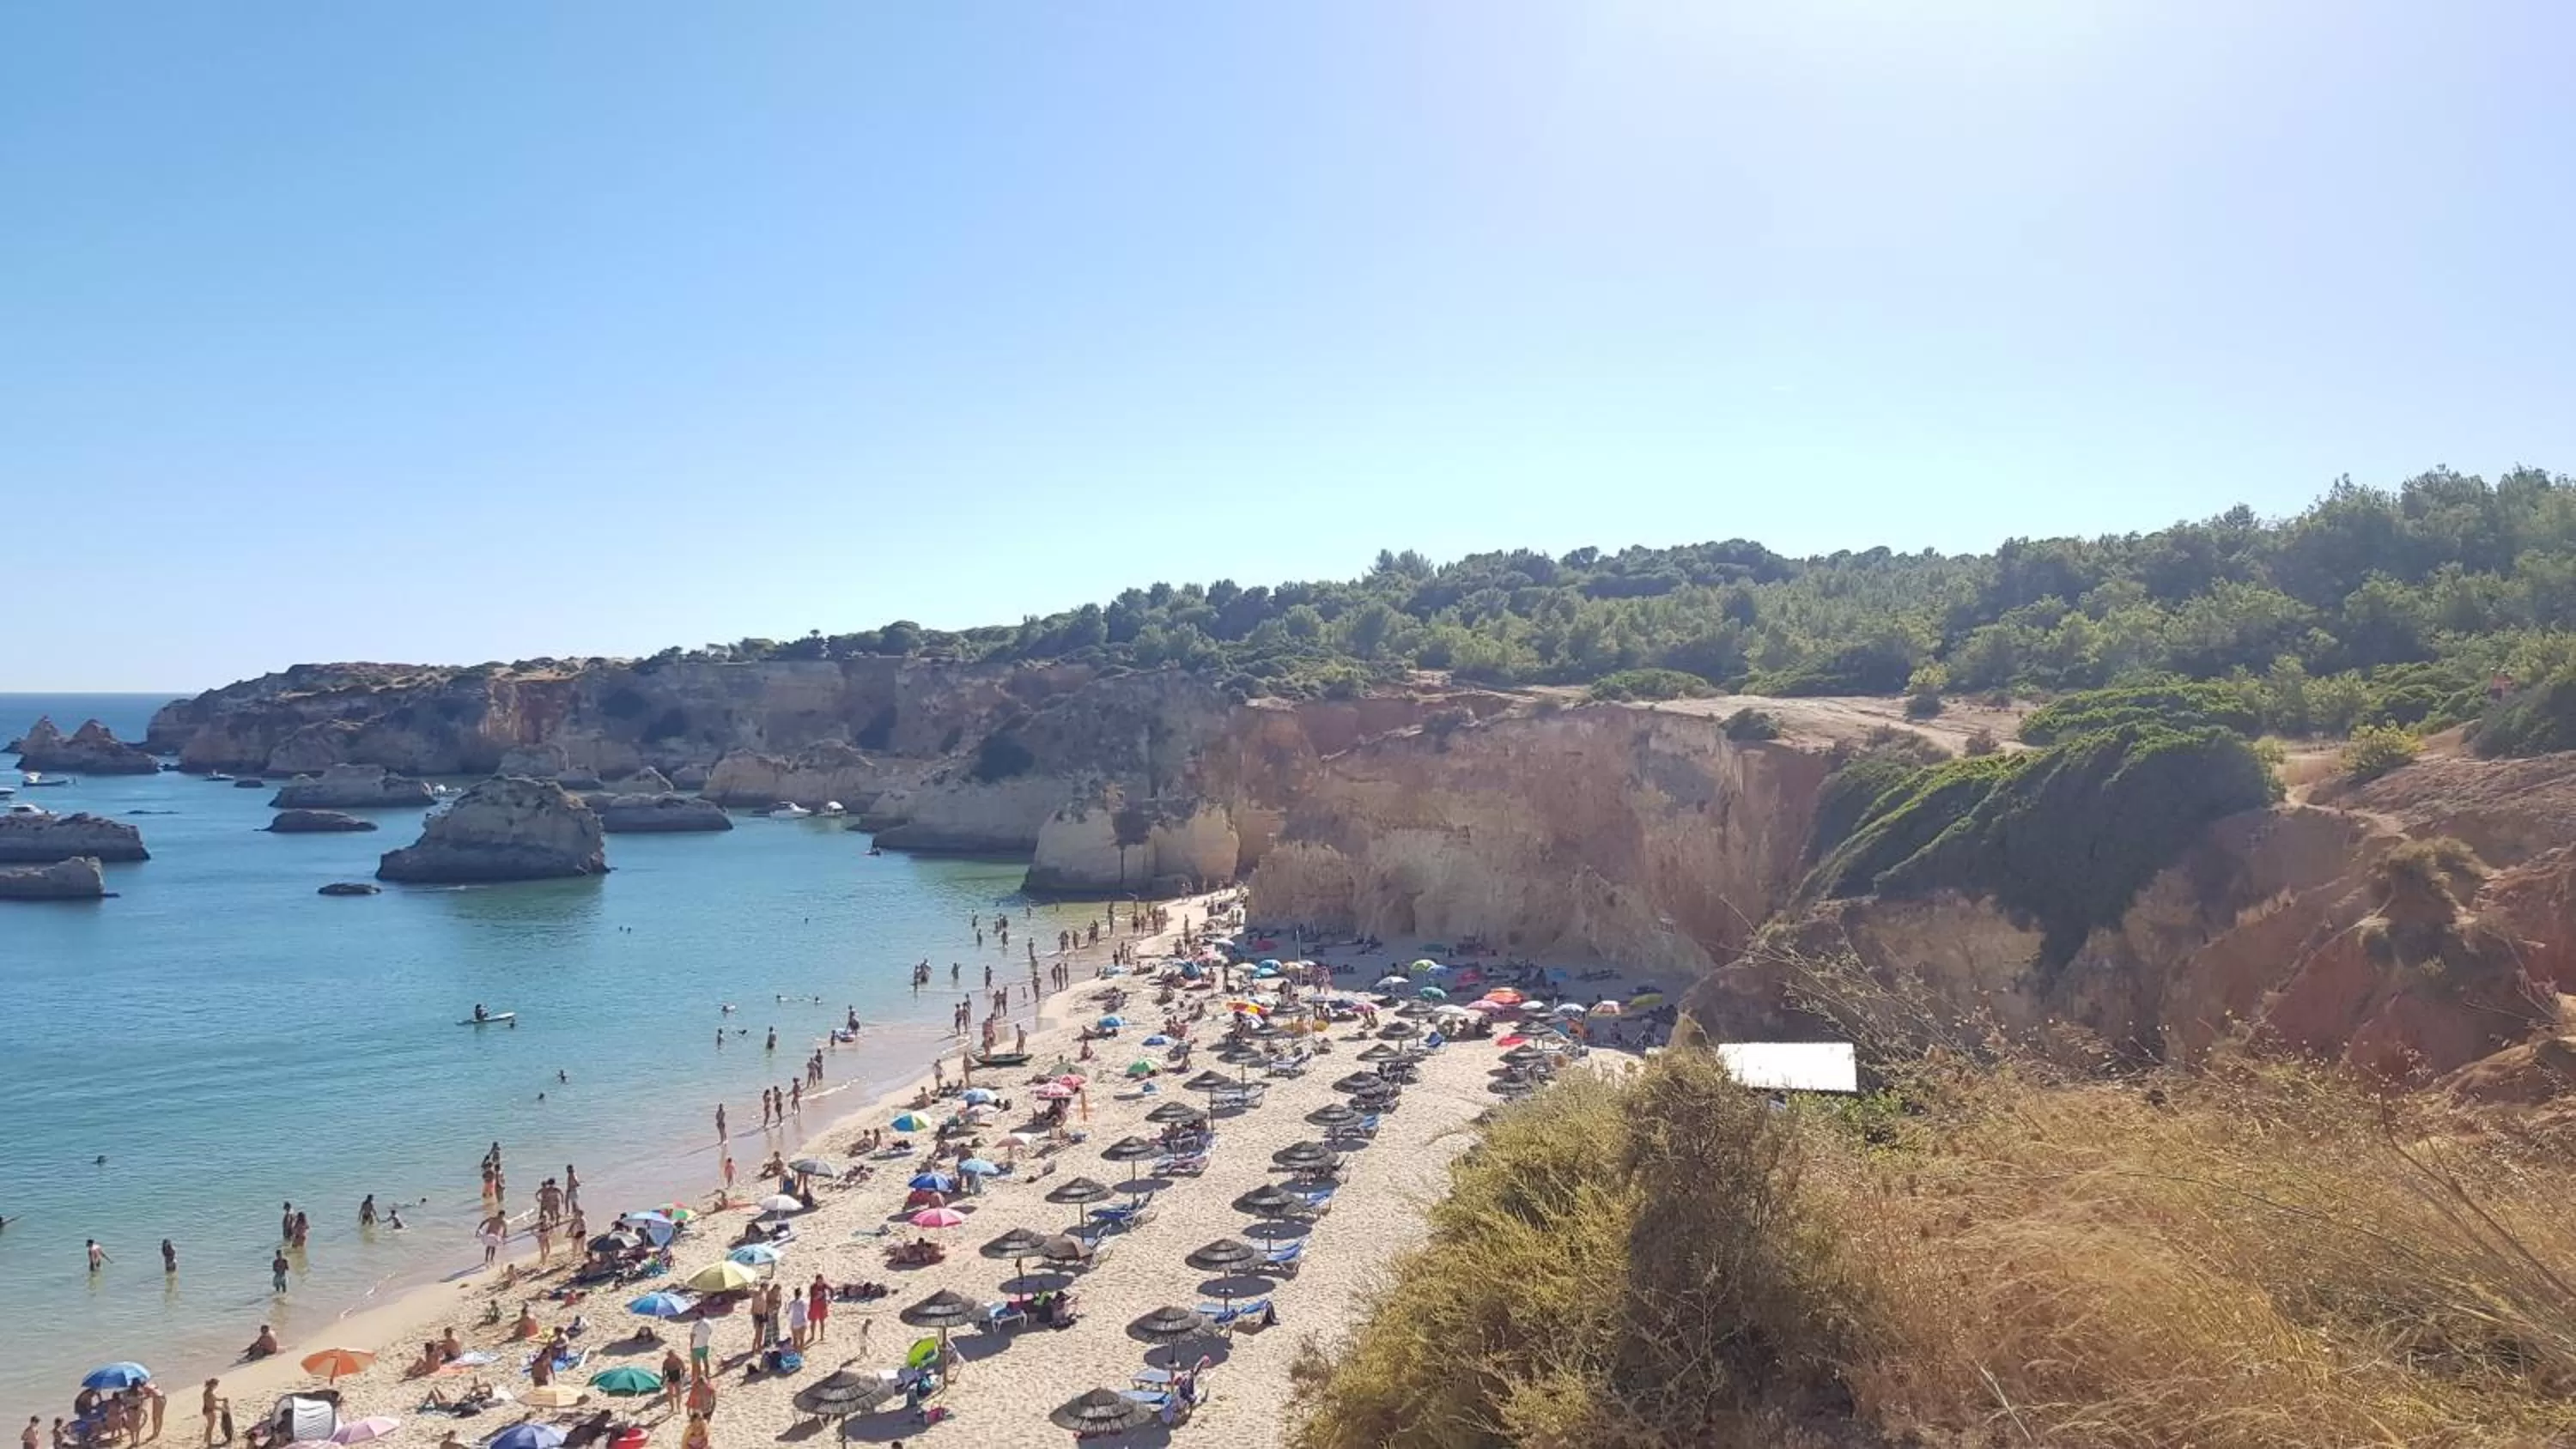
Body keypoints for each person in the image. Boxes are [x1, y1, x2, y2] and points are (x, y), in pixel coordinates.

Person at [199, 1382, 226, 1449]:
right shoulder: (208, 1393)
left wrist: (221, 1399)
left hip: (207, 1410)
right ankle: (209, 1444)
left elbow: (214, 1399)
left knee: (209, 1426)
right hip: (209, 1411)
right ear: (212, 1385)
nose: (216, 1387)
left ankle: (206, 1439)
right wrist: (222, 1409)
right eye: (216, 1385)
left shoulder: (209, 1392)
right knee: (210, 1428)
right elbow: (211, 1405)